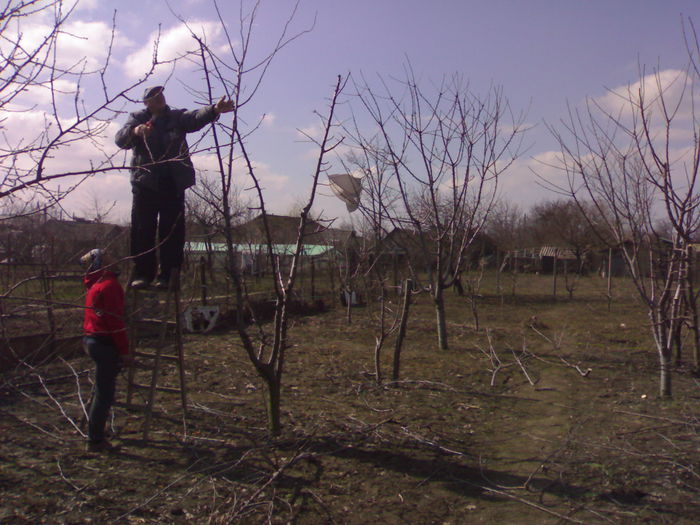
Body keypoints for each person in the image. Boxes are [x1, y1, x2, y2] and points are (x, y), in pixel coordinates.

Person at [115, 86, 234, 289]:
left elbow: (195, 117)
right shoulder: (136, 118)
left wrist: (214, 109)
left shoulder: (176, 117)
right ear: (147, 102)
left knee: (172, 231)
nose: (160, 98)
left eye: (161, 94)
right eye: (154, 96)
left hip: (172, 183)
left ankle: (168, 276)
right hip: (144, 183)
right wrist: (135, 131)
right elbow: (120, 140)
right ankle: (143, 274)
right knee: (143, 229)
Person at [81, 248, 131, 452]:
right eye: (110, 257)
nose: (115, 259)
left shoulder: (95, 284)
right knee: (105, 393)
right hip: (104, 343)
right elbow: (114, 321)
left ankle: (95, 431)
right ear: (102, 264)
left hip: (91, 339)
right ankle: (95, 440)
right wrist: (125, 351)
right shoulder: (110, 286)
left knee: (102, 387)